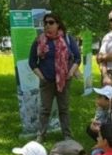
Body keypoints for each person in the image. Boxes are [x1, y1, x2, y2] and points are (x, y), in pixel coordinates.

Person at [28, 13, 81, 143]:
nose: (47, 25)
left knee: (63, 109)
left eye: (51, 22)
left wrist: (70, 73)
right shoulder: (39, 40)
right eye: (45, 23)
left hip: (64, 81)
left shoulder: (67, 39)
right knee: (45, 109)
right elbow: (32, 61)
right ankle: (41, 135)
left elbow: (77, 58)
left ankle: (67, 136)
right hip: (47, 81)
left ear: (58, 24)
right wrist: (42, 76)